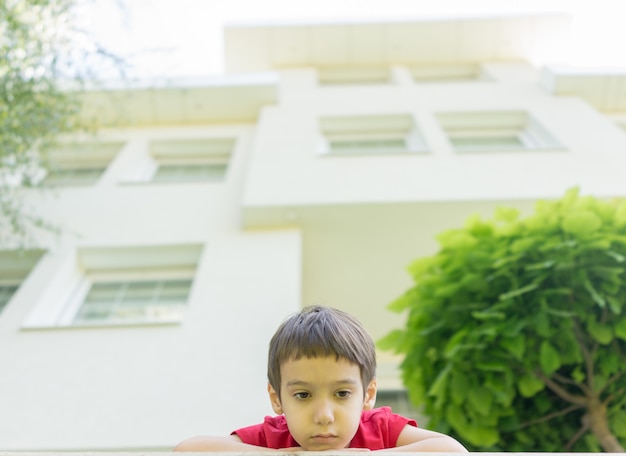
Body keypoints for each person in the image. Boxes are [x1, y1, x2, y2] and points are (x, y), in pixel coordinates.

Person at [174, 305, 467, 452]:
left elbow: (452, 451)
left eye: (341, 394)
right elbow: (187, 451)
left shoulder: (379, 431)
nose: (324, 416)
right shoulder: (273, 437)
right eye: (303, 395)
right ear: (277, 399)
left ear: (367, 395)